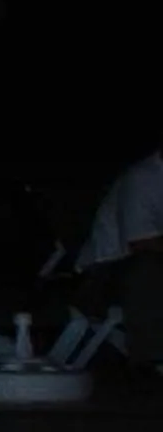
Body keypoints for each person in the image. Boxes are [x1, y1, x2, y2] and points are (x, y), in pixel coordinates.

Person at [77, 143, 163, 368]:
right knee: (147, 269)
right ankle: (151, 361)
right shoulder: (143, 178)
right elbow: (142, 243)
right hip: (103, 274)